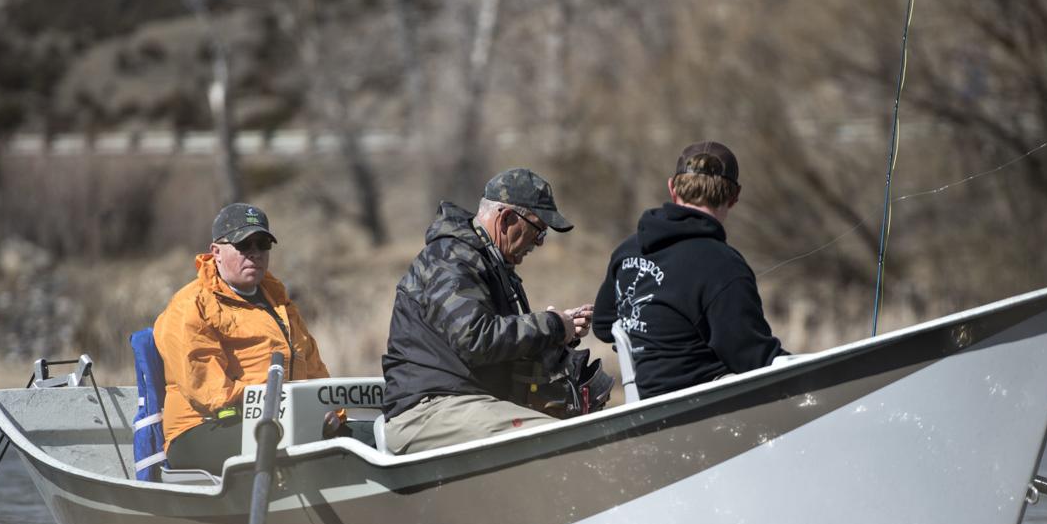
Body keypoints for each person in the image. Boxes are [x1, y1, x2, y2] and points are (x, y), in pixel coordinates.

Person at [381, 168, 594, 454]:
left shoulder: (489, 265)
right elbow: (475, 340)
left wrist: (560, 333)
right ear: (506, 219)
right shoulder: (450, 259)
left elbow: (499, 346)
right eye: (538, 230)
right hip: (428, 410)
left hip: (469, 404)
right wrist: (552, 325)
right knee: (559, 439)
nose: (540, 242)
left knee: (579, 429)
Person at [592, 140, 787, 398]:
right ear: (735, 196)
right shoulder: (724, 266)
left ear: (672, 188)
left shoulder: (627, 250)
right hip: (706, 410)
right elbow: (754, 358)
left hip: (643, 407)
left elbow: (603, 325)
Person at [153, 203, 339, 474]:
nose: (254, 253)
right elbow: (210, 392)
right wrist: (290, 410)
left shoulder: (281, 303)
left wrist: (329, 410)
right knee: (298, 451)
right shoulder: (190, 305)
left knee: (363, 438)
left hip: (278, 419)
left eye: (262, 244)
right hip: (203, 426)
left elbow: (314, 369)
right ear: (216, 252)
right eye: (243, 245)